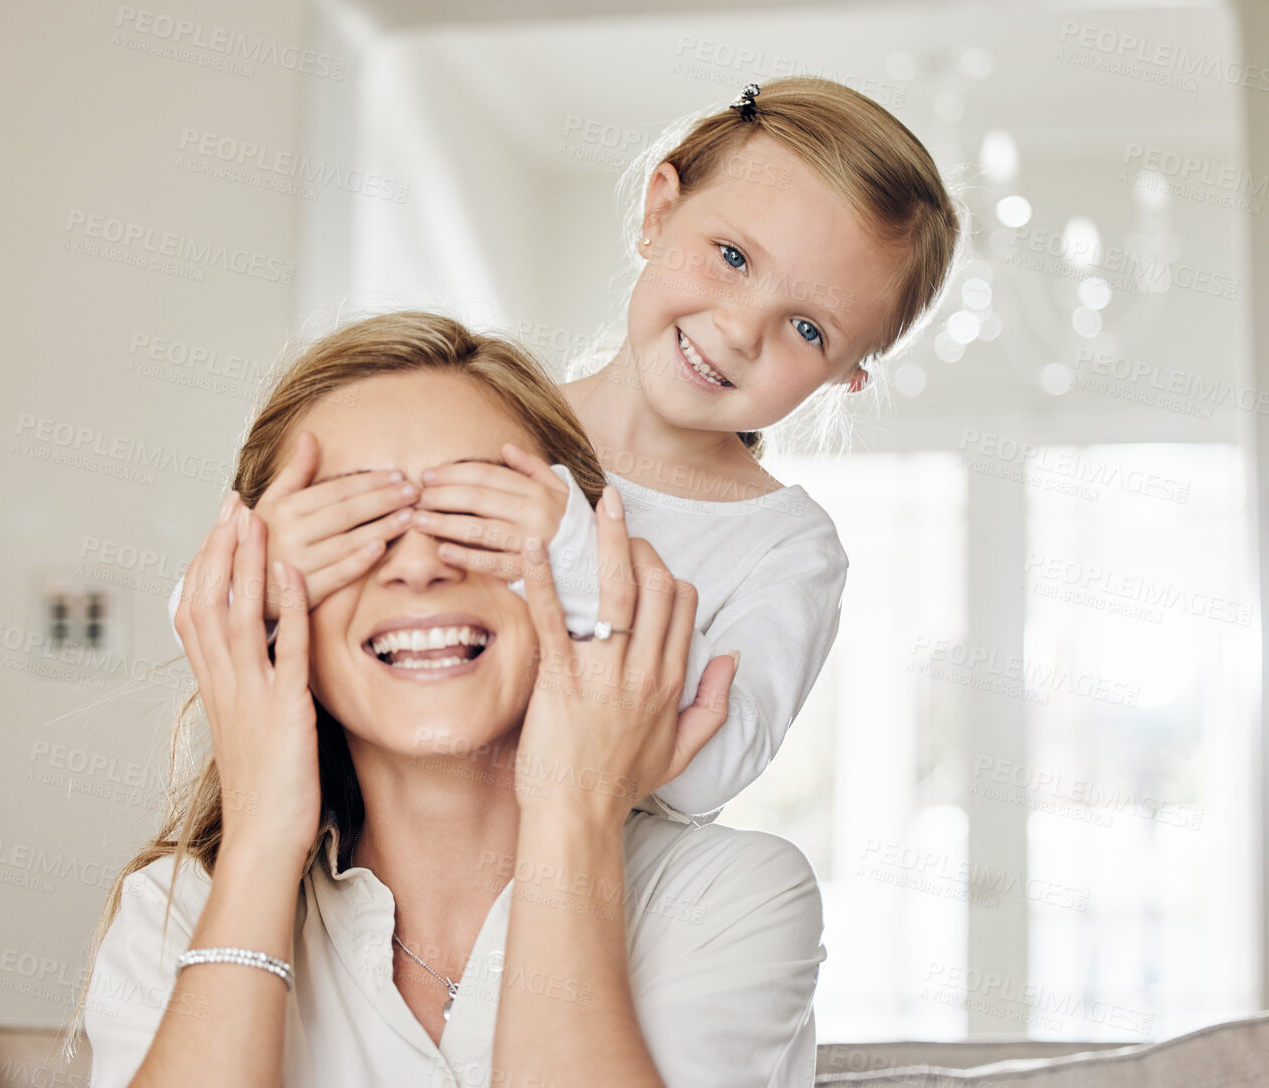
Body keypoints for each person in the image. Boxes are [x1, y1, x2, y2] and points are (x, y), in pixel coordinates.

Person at [66, 312, 826, 1088]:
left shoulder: (727, 901)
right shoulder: (179, 913)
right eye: (354, 528)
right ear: (270, 610)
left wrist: (573, 811)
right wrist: (257, 831)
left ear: (584, 575)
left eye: (476, 516)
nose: (421, 563)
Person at [165, 76, 963, 823]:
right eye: (731, 257)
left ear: (844, 376)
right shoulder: (481, 415)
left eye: (806, 328)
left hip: (597, 920)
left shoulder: (786, 546)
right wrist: (269, 571)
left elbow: (709, 766)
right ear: (658, 209)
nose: (739, 329)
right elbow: (198, 615)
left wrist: (576, 557)